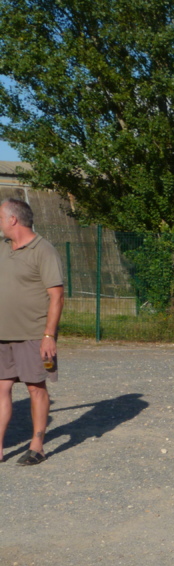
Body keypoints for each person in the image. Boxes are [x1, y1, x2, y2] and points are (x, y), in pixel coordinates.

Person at [0, 198, 64, 466]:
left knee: (35, 388)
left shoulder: (44, 250)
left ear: (13, 219)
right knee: (1, 389)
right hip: (3, 335)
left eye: (0, 217)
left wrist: (49, 336)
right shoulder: (3, 248)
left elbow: (57, 296)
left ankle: (37, 445)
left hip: (33, 335)